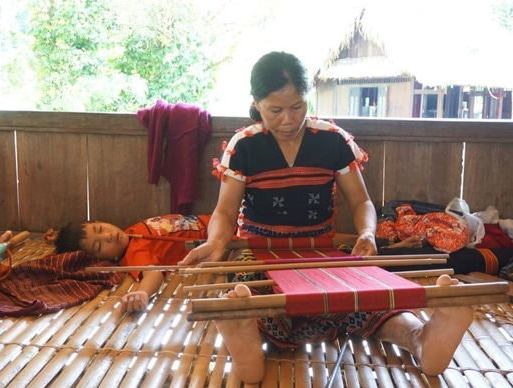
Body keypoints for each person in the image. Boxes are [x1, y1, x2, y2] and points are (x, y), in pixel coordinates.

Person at [179, 51, 473, 384]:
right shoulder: (243, 145)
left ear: (309, 99)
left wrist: (366, 233)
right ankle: (245, 331)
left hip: (322, 252)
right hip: (261, 252)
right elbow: (225, 210)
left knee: (368, 296)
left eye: (298, 107)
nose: (288, 120)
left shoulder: (333, 140)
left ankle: (420, 338)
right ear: (256, 103)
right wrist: (217, 241)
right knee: (254, 294)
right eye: (275, 110)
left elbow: (361, 200)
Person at [51, 214, 210, 313]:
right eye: (99, 246)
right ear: (102, 260)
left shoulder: (131, 231)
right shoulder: (134, 254)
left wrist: (56, 236)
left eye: (100, 228)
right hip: (228, 244)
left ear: (100, 221)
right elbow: (153, 274)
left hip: (218, 222)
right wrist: (143, 293)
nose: (108, 236)